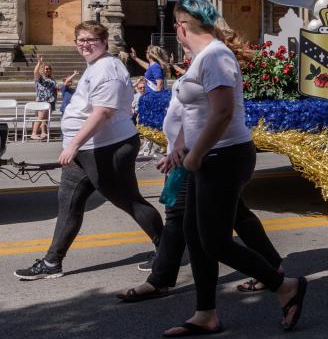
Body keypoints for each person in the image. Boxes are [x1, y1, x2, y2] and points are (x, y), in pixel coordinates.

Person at [162, 0, 305, 336]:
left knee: (215, 241)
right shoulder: (202, 59)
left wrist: (196, 154)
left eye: (175, 28)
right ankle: (205, 313)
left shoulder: (215, 57)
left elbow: (223, 112)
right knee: (195, 238)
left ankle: (285, 287)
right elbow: (195, 109)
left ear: (181, 28)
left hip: (224, 157)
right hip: (207, 156)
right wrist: (182, 144)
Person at [117, 72, 284, 302]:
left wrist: (184, 151)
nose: (181, 41)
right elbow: (190, 115)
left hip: (197, 155)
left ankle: (162, 281)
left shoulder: (212, 64)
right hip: (184, 153)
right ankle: (272, 268)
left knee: (183, 220)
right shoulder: (197, 66)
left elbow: (210, 115)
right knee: (236, 215)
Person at [15, 22, 163, 280]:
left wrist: (72, 145)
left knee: (128, 201)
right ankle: (52, 262)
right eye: (80, 40)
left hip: (108, 149)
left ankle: (166, 249)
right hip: (87, 150)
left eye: (91, 39)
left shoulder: (107, 69)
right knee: (69, 203)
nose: (85, 44)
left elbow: (103, 112)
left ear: (104, 42)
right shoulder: (96, 65)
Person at [31, 57, 57, 140]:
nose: (48, 70)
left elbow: (53, 88)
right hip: (42, 100)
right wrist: (39, 62)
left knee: (45, 118)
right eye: (46, 69)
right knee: (40, 117)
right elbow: (35, 72)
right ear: (43, 70)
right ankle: (34, 133)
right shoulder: (40, 78)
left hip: (51, 101)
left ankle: (43, 132)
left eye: (49, 69)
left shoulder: (52, 79)